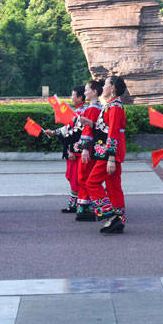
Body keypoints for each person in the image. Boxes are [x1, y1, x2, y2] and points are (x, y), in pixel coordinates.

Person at [83, 77, 128, 234]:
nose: (104, 87)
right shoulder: (111, 105)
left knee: (92, 183)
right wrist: (91, 124)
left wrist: (110, 158)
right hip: (109, 152)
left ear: (113, 88)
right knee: (113, 187)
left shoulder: (114, 107)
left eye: (107, 84)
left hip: (108, 153)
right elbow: (105, 130)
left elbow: (113, 133)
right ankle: (118, 220)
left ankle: (110, 214)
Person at [43, 85, 87, 213]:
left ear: (80, 97)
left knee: (75, 178)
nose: (71, 98)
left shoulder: (82, 112)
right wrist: (54, 132)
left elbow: (77, 133)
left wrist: (72, 150)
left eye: (73, 95)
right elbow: (68, 128)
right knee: (72, 176)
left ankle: (78, 205)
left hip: (77, 151)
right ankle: (78, 204)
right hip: (73, 149)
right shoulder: (78, 111)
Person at [73, 80, 103, 222]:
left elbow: (88, 130)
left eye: (87, 90)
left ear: (95, 92)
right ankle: (86, 205)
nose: (84, 93)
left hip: (89, 149)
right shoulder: (95, 107)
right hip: (91, 147)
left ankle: (86, 205)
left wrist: (85, 149)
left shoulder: (93, 109)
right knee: (85, 176)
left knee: (84, 176)